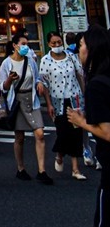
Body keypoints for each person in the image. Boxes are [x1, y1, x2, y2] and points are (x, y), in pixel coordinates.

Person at [64, 24, 110, 227]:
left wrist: (82, 123)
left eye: (80, 44)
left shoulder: (98, 84)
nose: (78, 49)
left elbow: (107, 130)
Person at [0, 31, 53, 184]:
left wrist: (39, 84)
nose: (25, 47)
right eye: (23, 44)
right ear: (15, 46)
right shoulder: (6, 63)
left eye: (27, 45)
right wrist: (10, 78)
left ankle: (42, 170)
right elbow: (3, 87)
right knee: (19, 137)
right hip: (17, 100)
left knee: (40, 133)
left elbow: (36, 78)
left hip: (32, 98)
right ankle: (20, 168)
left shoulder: (30, 61)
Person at [38, 30, 86, 181]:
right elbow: (44, 82)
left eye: (59, 42)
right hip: (57, 99)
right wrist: (49, 103)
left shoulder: (71, 57)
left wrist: (85, 95)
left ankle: (75, 168)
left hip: (75, 97)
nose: (57, 45)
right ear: (48, 44)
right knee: (63, 131)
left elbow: (80, 75)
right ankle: (59, 154)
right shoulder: (46, 60)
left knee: (76, 131)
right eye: (54, 43)